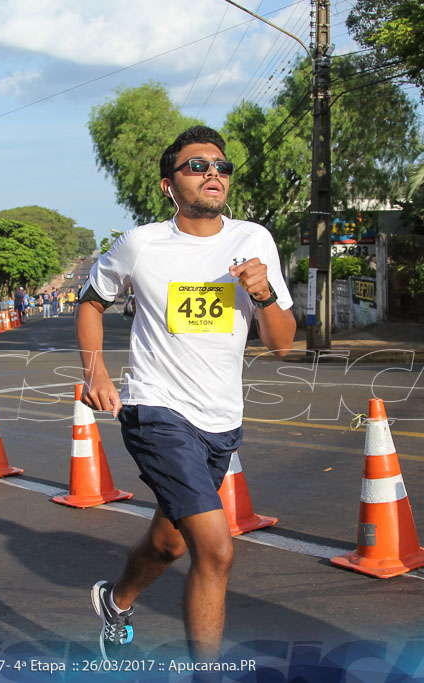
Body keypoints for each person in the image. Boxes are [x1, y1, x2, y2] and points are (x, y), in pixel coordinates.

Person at [76, 126, 295, 662]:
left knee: (170, 542)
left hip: (220, 419)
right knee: (216, 551)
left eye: (220, 165)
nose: (212, 173)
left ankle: (116, 600)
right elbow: (90, 302)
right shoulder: (141, 244)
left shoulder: (253, 239)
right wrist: (97, 374)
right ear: (167, 185)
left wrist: (262, 291)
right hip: (155, 410)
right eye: (196, 166)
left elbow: (283, 344)